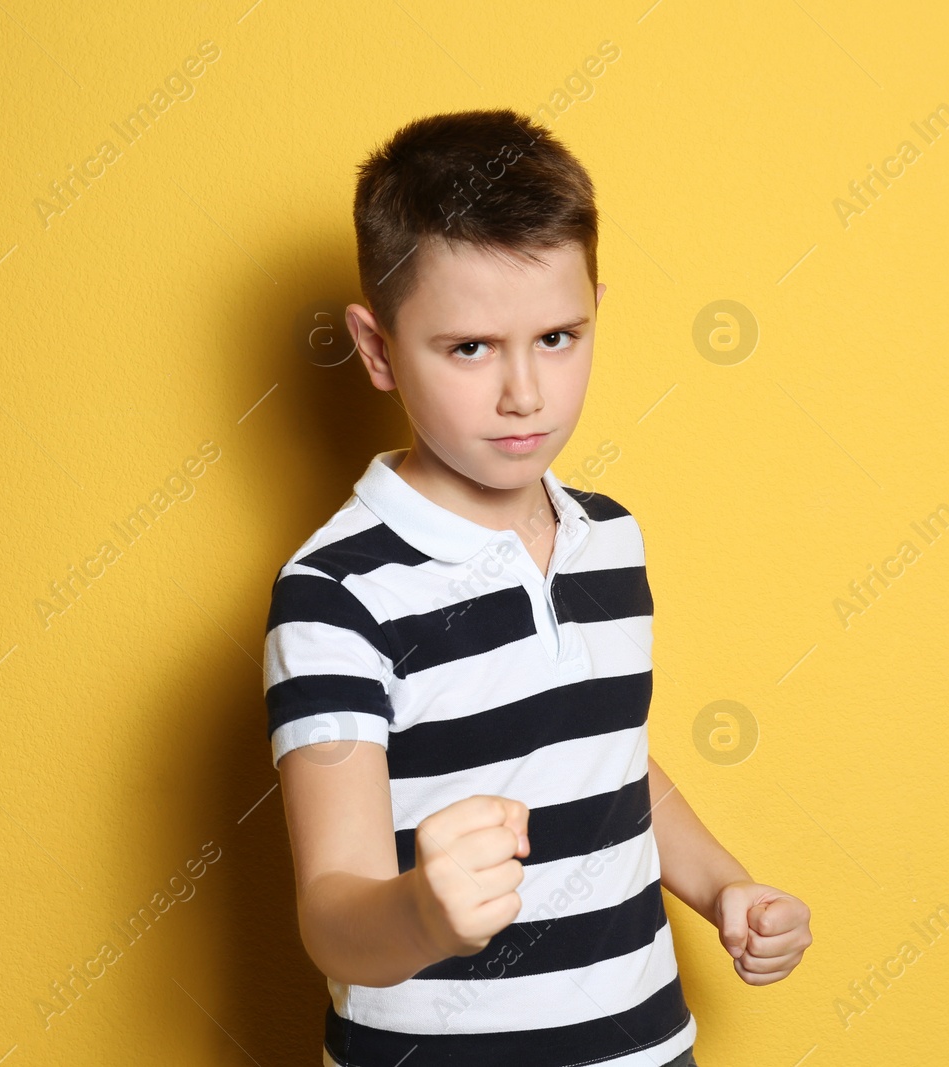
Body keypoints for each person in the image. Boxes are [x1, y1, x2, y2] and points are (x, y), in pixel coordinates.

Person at [263, 107, 812, 1067]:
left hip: (645, 1046)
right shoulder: (336, 595)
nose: (525, 392)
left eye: (558, 336)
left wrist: (727, 889)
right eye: (470, 348)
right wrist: (424, 914)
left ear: (596, 305)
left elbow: (612, 759)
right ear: (379, 347)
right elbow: (331, 914)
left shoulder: (611, 539)